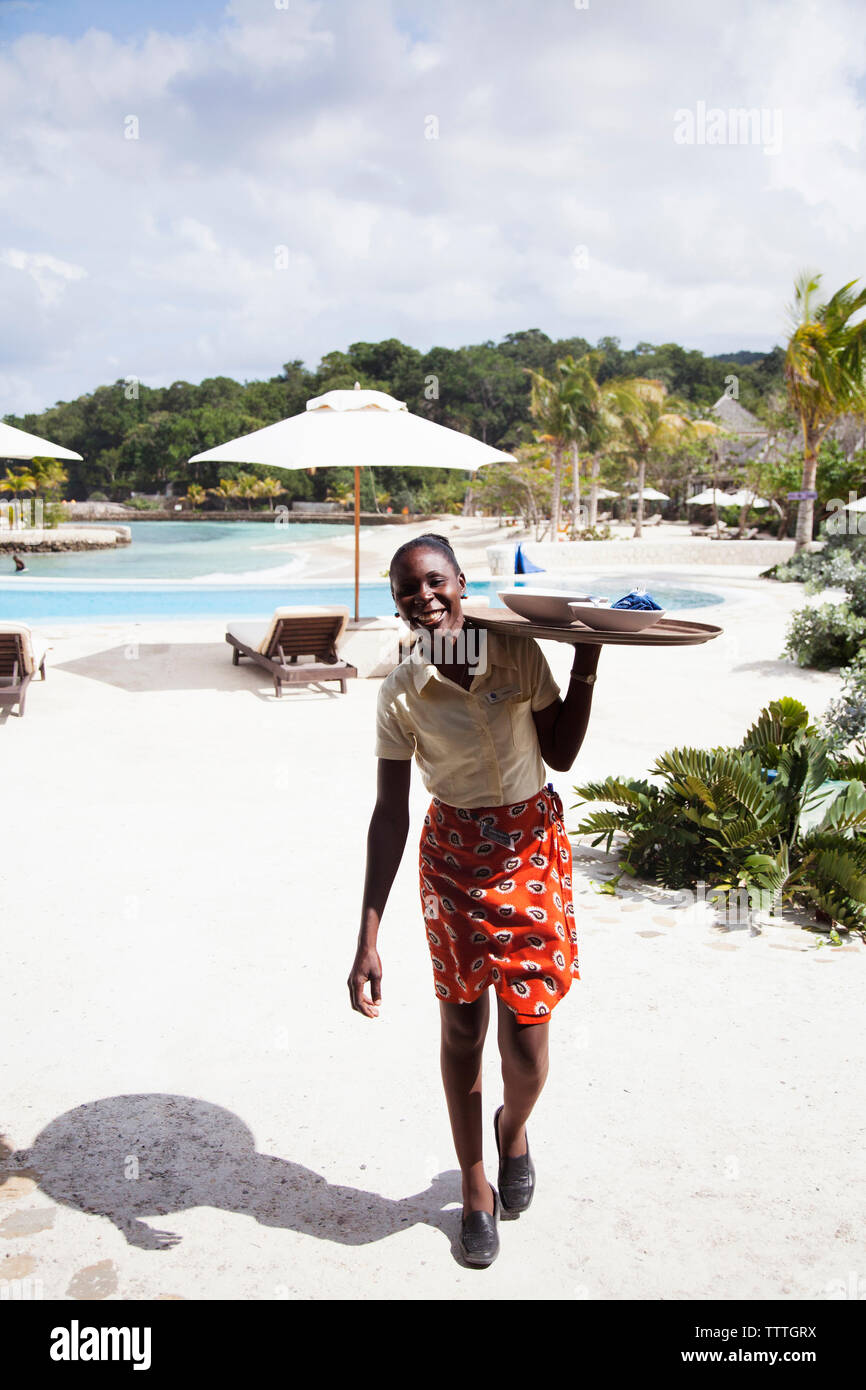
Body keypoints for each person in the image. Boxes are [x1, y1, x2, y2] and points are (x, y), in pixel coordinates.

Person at [347, 532, 602, 1267]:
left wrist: (586, 662)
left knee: (527, 1037)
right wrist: (368, 935)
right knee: (463, 1029)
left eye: (434, 581)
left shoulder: (516, 652)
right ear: (396, 603)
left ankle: (512, 1126)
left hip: (529, 849)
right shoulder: (401, 692)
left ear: (460, 581)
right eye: (406, 589)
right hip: (453, 859)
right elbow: (389, 813)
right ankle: (473, 1185)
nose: (423, 597)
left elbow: (561, 752)